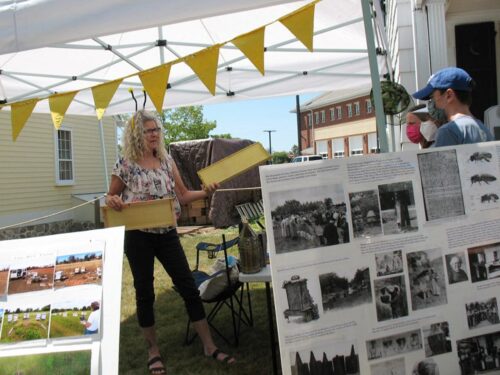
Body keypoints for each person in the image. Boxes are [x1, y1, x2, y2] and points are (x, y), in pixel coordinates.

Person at [105, 110, 234, 375]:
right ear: (136, 135)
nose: (154, 134)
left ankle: (209, 345)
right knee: (145, 292)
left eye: (156, 130)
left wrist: (206, 191)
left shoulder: (166, 161)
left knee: (188, 286)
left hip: (167, 234)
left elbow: (184, 195)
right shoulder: (125, 164)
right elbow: (111, 197)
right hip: (138, 236)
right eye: (148, 130)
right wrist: (113, 201)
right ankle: (153, 351)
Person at [412, 67, 493, 147]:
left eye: (432, 97)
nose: (432, 104)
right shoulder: (483, 128)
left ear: (449, 95)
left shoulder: (448, 131)